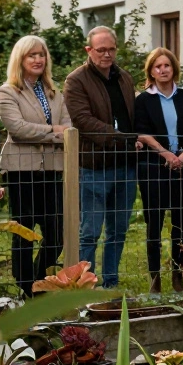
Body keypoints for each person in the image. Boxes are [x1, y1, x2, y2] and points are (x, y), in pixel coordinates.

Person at [64, 26, 138, 289]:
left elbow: (132, 117)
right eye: (101, 50)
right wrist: (119, 136)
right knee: (90, 232)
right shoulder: (76, 80)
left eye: (111, 49)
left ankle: (111, 282)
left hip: (126, 167)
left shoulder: (124, 78)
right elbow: (82, 120)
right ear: (89, 50)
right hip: (94, 167)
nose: (107, 55)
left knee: (118, 231)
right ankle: (84, 286)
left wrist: (134, 140)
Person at [0, 36, 70, 296]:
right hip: (21, 170)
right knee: (24, 232)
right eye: (32, 55)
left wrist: (49, 133)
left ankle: (39, 281)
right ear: (21, 59)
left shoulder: (54, 92)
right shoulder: (8, 91)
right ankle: (24, 288)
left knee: (56, 233)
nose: (38, 59)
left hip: (52, 169)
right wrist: (53, 131)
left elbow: (69, 130)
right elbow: (17, 130)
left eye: (42, 54)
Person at [134, 47, 183, 293]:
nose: (162, 70)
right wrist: (166, 153)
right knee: (154, 225)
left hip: (182, 167)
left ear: (173, 68)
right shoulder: (144, 100)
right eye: (157, 66)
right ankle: (154, 278)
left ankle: (178, 276)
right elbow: (141, 132)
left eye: (166, 65)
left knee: (180, 225)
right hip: (153, 167)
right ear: (151, 71)